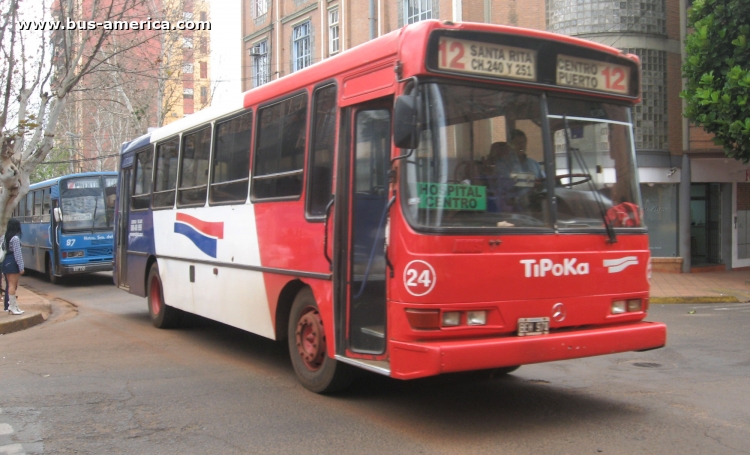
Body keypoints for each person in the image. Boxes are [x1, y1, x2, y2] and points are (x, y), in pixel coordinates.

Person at [495, 130, 545, 212]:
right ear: (510, 145)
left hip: (536, 201)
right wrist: (532, 182)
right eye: (518, 143)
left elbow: (543, 180)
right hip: (514, 203)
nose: (521, 146)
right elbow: (507, 182)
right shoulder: (502, 164)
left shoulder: (534, 163)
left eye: (523, 142)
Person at [1, 218, 25, 315]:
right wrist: (21, 267)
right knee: (12, 285)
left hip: (5, 262)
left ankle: (13, 305)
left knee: (10, 285)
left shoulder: (4, 237)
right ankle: (12, 306)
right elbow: (17, 254)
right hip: (12, 262)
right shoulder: (15, 239)